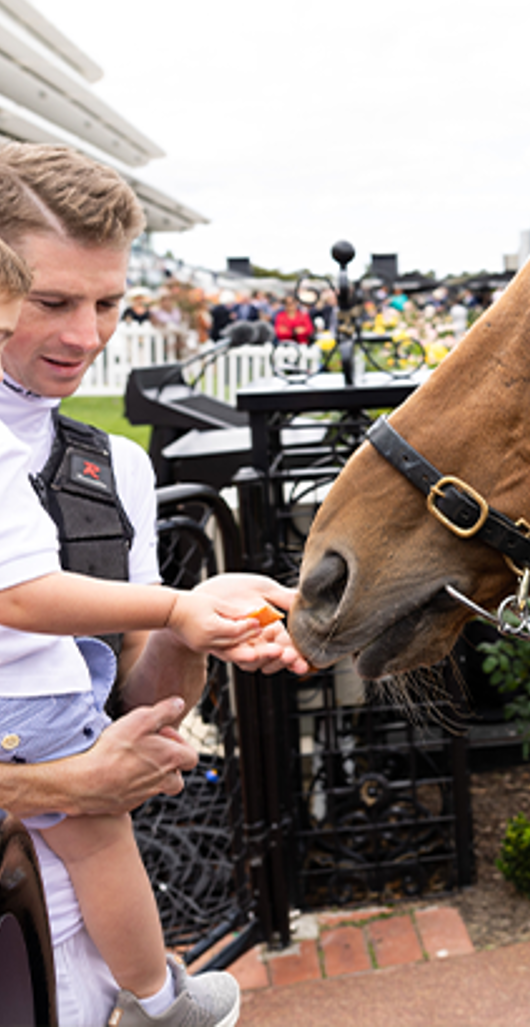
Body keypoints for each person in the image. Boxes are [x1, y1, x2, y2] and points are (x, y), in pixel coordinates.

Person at [0, 142, 289, 1025]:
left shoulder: (114, 467)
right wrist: (60, 787)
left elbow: (130, 691)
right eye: (53, 301)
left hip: (80, 947)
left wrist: (197, 623)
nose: (86, 337)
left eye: (108, 304)